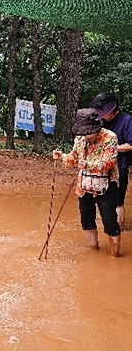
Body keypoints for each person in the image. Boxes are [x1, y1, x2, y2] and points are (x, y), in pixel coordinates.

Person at [52, 108, 121, 257]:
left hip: (107, 185)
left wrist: (89, 165)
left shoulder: (110, 137)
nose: (85, 136)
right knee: (87, 221)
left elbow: (109, 162)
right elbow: (74, 158)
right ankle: (94, 250)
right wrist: (61, 157)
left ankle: (115, 256)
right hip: (84, 186)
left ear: (97, 128)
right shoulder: (80, 139)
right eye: (83, 133)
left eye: (88, 132)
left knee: (110, 223)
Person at [91, 92, 132, 232]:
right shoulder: (103, 122)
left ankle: (119, 232)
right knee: (104, 199)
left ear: (112, 110)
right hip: (103, 167)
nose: (102, 116)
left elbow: (130, 145)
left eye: (104, 113)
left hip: (120, 166)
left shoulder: (127, 120)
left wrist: (111, 148)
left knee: (118, 202)